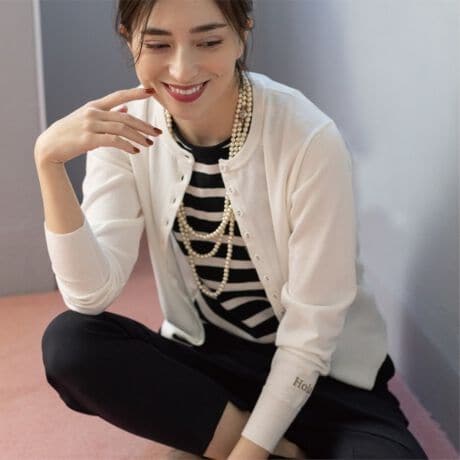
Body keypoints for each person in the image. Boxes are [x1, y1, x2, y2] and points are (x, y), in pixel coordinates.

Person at [35, 0, 428, 459]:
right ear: (127, 36)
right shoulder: (125, 131)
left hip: (323, 376)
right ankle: (269, 446)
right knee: (71, 344)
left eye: (208, 42)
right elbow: (89, 296)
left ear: (243, 32)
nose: (182, 70)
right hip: (209, 365)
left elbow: (312, 331)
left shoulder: (308, 138)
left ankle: (225, 441)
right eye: (158, 44)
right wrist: (49, 162)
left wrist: (249, 452)